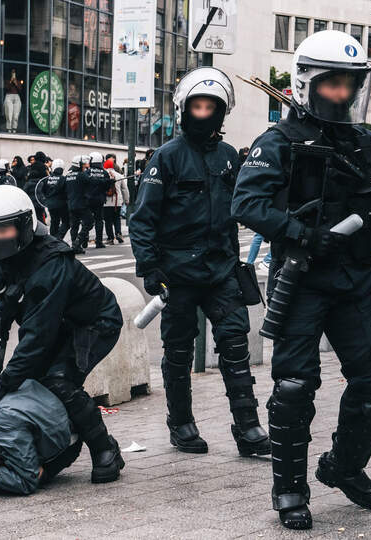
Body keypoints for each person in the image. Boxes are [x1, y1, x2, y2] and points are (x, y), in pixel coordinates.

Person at [231, 30, 371, 529]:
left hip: (354, 281)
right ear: (308, 83)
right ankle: (288, 490)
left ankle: (344, 467)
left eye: (350, 84)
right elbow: (246, 204)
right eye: (332, 84)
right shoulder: (277, 142)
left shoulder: (364, 141)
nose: (343, 94)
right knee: (294, 387)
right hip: (302, 279)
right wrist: (302, 232)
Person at [130, 67, 270, 459]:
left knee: (236, 346)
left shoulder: (230, 158)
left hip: (222, 269)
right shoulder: (166, 157)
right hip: (177, 274)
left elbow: (246, 205)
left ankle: (248, 427)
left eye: (212, 106)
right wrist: (150, 267)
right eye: (198, 105)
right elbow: (141, 218)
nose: (204, 112)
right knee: (178, 351)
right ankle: (181, 424)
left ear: (222, 112)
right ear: (184, 108)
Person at [0, 185, 125, 483]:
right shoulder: (6, 253)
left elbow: (37, 339)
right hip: (57, 321)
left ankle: (104, 449)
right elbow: (8, 299)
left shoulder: (50, 265)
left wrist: (1, 386)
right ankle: (42, 447)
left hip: (94, 323)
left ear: (24, 226)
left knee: (57, 380)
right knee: (35, 380)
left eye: (3, 228)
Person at [0, 379, 82, 495]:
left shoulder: (7, 435)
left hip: (68, 431)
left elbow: (27, 482)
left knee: (36, 475)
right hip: (40, 392)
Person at [83, 152, 113, 249]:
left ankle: (84, 240)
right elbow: (108, 187)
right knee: (99, 220)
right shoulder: (104, 173)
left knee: (86, 220)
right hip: (99, 200)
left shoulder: (87, 172)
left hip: (88, 199)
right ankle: (99, 241)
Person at [66, 155, 92, 254]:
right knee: (89, 222)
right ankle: (78, 242)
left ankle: (74, 246)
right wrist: (107, 181)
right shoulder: (81, 175)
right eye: (84, 163)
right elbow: (92, 182)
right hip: (81, 204)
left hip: (71, 204)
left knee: (74, 225)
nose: (86, 165)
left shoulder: (68, 175)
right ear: (79, 164)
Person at [102, 155, 128, 245]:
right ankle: (118, 233)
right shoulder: (119, 175)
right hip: (117, 201)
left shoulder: (103, 175)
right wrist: (126, 200)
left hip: (106, 202)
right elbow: (124, 189)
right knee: (117, 218)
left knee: (108, 220)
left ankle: (110, 238)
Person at [42, 159, 70, 240]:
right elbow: (66, 191)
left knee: (54, 222)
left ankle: (52, 240)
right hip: (62, 204)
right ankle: (58, 238)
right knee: (66, 222)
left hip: (50, 204)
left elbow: (43, 190)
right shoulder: (63, 179)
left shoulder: (47, 179)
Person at [24, 151, 49, 224]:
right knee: (40, 213)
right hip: (39, 191)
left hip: (31, 191)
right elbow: (46, 178)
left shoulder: (32, 166)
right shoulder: (43, 166)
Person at [4, 69, 22, 133]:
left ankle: (14, 128)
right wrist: (11, 81)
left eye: (14, 72)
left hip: (16, 96)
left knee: (16, 115)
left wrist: (16, 83)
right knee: (9, 113)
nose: (13, 74)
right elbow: (6, 88)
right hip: (9, 96)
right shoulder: (7, 80)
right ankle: (9, 128)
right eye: (12, 72)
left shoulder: (19, 81)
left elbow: (20, 90)